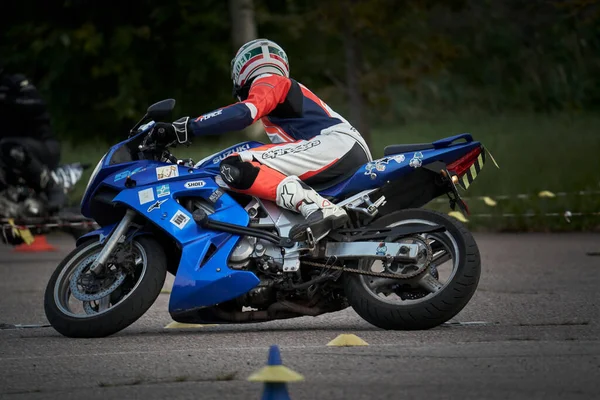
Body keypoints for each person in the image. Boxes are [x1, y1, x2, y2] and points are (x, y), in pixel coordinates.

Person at [150, 39, 372, 240]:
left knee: (237, 164)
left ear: (240, 71)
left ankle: (317, 207)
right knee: (259, 172)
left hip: (335, 144)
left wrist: (186, 127)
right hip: (339, 148)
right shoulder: (281, 104)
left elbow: (243, 113)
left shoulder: (269, 81)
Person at [0, 61, 66, 213]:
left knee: (9, 147)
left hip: (43, 146)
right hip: (11, 152)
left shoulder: (15, 83)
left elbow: (38, 103)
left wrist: (6, 100)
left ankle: (54, 189)